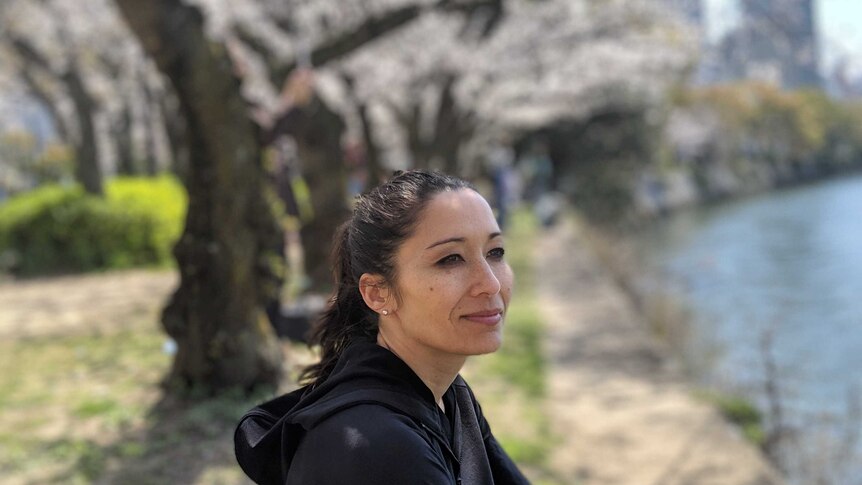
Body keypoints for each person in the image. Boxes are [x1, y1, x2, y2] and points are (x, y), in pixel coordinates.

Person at [235, 170, 530, 485]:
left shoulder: (449, 396)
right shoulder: (375, 446)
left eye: (495, 252)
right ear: (378, 293)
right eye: (450, 259)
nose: (490, 283)